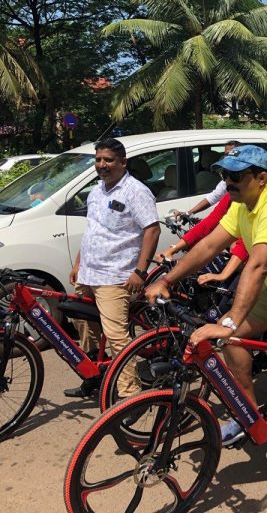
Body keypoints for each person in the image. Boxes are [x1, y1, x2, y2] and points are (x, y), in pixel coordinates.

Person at [145, 145, 267, 513]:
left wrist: (229, 321)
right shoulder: (243, 204)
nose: (227, 182)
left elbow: (257, 266)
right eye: (224, 175)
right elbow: (209, 244)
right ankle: (249, 414)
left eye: (235, 176)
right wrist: (167, 280)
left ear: (261, 178)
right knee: (232, 343)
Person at [64, 138, 160, 398]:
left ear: (122, 162)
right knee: (83, 323)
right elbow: (94, 230)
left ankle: (130, 394)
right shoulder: (96, 191)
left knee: (116, 336)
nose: (102, 165)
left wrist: (140, 271)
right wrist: (78, 263)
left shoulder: (135, 191)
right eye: (98, 160)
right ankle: (96, 376)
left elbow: (152, 230)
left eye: (108, 160)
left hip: (115, 276)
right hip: (89, 273)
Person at [178, 140, 240, 218]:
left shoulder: (246, 194)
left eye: (231, 154)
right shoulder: (225, 185)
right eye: (224, 175)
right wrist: (188, 213)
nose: (226, 180)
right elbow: (213, 198)